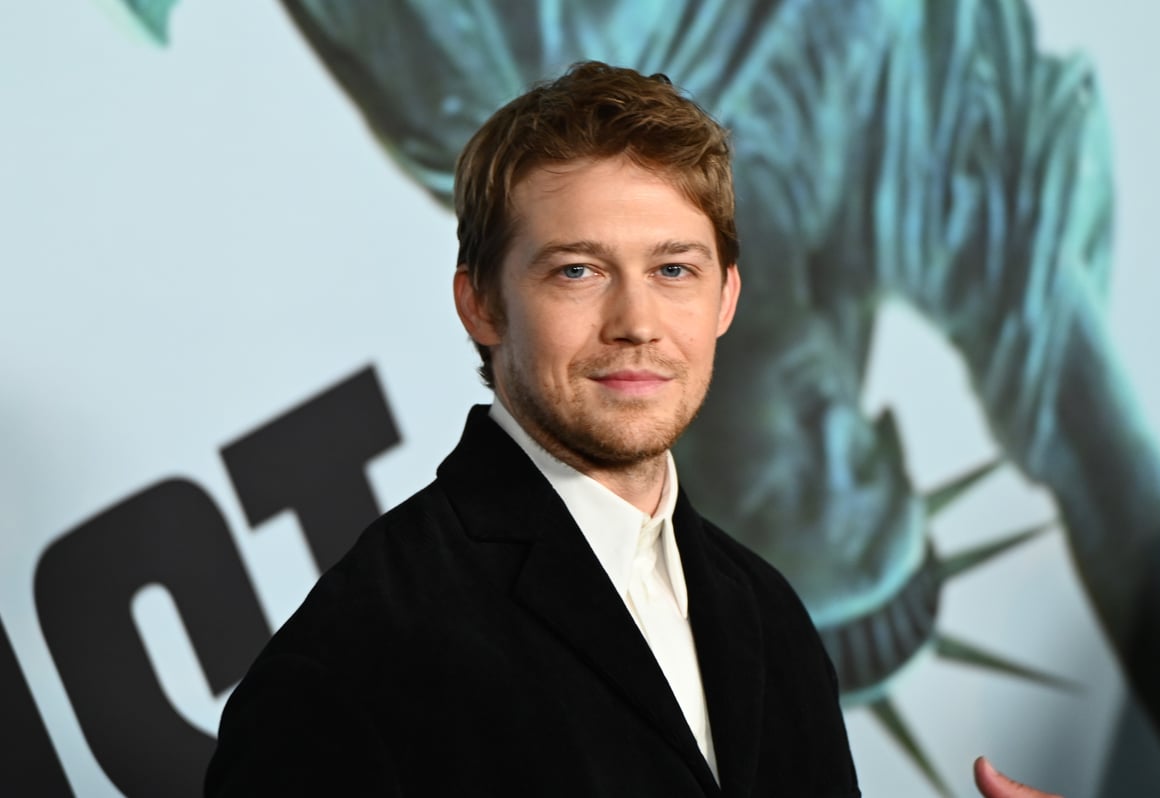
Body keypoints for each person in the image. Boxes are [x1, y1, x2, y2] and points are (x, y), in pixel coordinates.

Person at [205, 61, 1058, 798]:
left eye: (673, 269)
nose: (637, 322)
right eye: (578, 270)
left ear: (725, 298)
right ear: (480, 303)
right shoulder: (357, 661)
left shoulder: (766, 613)